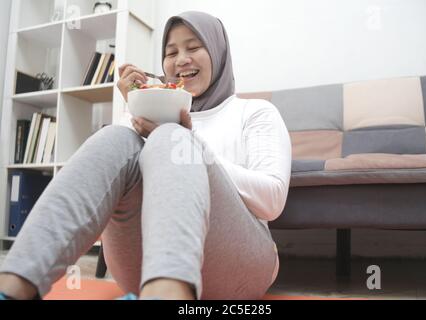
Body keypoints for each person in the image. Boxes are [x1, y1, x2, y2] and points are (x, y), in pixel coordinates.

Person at [0, 11, 291, 300]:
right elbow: (114, 172)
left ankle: (169, 291)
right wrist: (138, 106)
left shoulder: (254, 112)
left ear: (218, 52)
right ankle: (15, 283)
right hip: (140, 270)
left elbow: (272, 200)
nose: (180, 60)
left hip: (239, 266)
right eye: (171, 52)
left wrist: (190, 142)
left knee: (172, 137)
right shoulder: (154, 118)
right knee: (115, 137)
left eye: (193, 47)